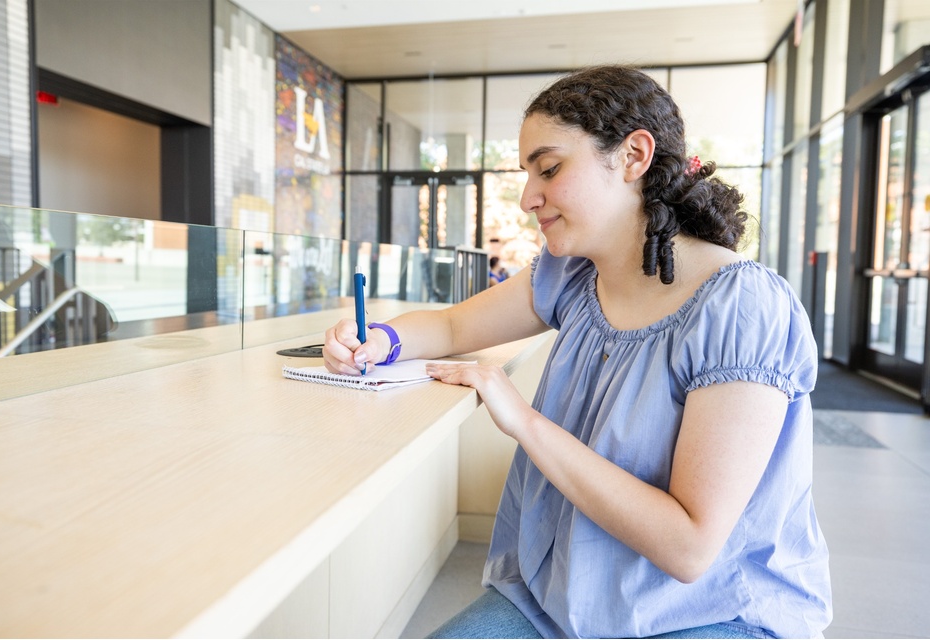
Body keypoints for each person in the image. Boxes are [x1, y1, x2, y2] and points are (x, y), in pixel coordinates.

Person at [323, 65, 832, 639]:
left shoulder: (741, 307)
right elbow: (448, 327)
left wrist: (524, 422)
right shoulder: (570, 274)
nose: (527, 198)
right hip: (562, 599)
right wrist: (378, 339)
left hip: (707, 614)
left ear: (635, 156)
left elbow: (689, 548)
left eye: (549, 168)